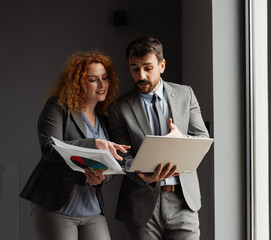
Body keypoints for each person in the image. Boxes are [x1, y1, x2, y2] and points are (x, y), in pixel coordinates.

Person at [20, 51, 130, 240]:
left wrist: (102, 178)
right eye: (93, 79)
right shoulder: (57, 107)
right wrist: (93, 143)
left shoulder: (104, 120)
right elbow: (49, 148)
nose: (102, 85)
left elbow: (111, 161)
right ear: (78, 82)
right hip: (56, 205)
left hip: (92, 209)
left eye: (105, 78)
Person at [108, 36, 210, 240]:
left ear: (162, 65)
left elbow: (202, 138)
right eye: (134, 68)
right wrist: (142, 175)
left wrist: (181, 137)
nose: (141, 75)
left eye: (148, 67)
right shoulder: (119, 107)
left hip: (183, 202)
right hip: (141, 204)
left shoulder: (185, 94)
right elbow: (122, 155)